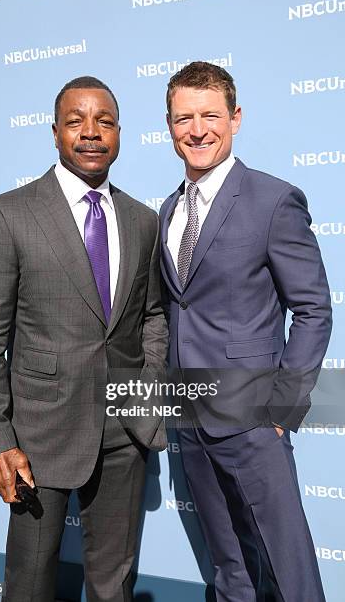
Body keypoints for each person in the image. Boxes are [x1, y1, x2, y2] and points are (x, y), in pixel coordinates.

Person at [0, 76, 168, 602]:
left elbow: (153, 317)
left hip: (125, 432)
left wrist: (145, 395)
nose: (91, 133)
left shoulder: (144, 221)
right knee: (30, 584)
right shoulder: (7, 214)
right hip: (37, 436)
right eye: (76, 121)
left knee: (113, 584)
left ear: (119, 133)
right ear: (55, 133)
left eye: (104, 121)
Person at [159, 61, 332, 601]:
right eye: (184, 118)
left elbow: (313, 308)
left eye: (210, 115)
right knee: (230, 572)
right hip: (190, 421)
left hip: (254, 424)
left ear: (235, 118)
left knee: (288, 573)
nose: (197, 129)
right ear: (169, 127)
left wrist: (281, 411)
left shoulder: (274, 200)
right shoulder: (169, 210)